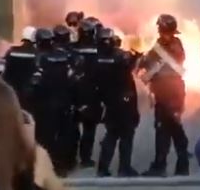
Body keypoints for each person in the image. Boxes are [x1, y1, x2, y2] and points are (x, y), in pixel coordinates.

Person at [139, 14, 190, 177]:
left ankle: (166, 165)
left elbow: (168, 65)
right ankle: (170, 164)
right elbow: (149, 61)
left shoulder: (172, 46)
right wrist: (143, 60)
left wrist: (150, 65)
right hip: (164, 90)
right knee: (168, 128)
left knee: (170, 128)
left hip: (171, 91)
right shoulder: (163, 44)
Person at [95, 28, 140, 177]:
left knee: (111, 134)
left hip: (109, 101)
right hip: (124, 101)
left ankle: (103, 168)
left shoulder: (97, 57)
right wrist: (135, 58)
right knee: (126, 135)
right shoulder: (120, 57)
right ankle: (124, 168)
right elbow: (128, 68)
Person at [32, 27, 74, 173]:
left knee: (45, 136)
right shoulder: (64, 55)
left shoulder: (38, 58)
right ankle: (62, 166)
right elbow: (73, 76)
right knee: (64, 135)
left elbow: (35, 82)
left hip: (45, 103)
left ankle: (47, 165)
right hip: (64, 101)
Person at [70, 18, 104, 169]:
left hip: (74, 93)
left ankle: (70, 157)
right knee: (89, 129)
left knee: (71, 128)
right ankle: (85, 158)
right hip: (92, 95)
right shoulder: (98, 50)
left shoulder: (71, 49)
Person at [2, 27, 40, 113]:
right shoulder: (36, 53)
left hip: (13, 93)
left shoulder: (12, 51)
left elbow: (5, 68)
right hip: (29, 94)